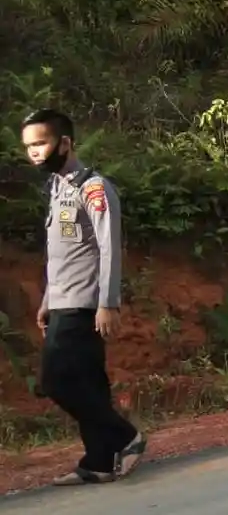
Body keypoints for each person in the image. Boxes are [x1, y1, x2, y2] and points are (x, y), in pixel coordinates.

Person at [20, 108, 147, 486]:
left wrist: (108, 302)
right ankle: (100, 461)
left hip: (84, 303)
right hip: (62, 300)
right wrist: (46, 299)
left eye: (41, 143)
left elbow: (109, 247)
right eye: (29, 147)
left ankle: (126, 437)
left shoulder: (93, 188)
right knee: (90, 382)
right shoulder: (58, 188)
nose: (34, 153)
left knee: (57, 381)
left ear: (66, 142)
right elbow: (63, 253)